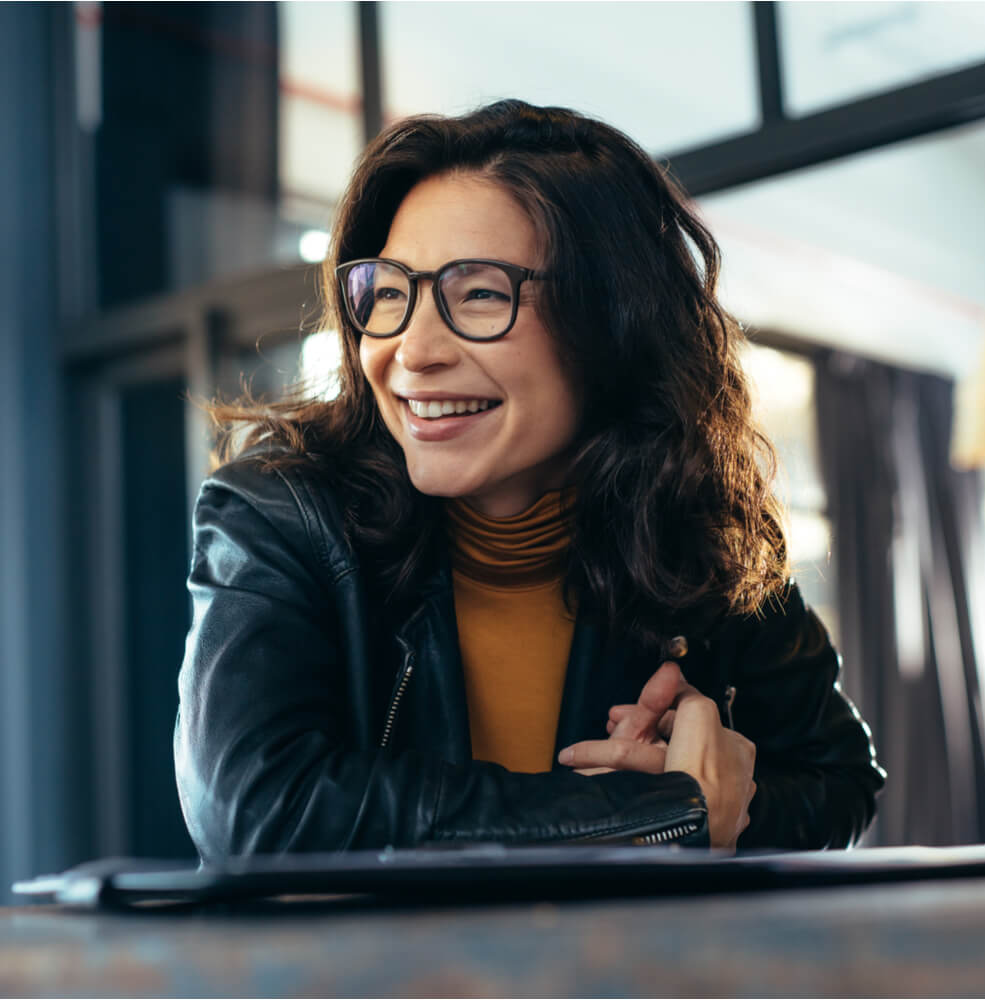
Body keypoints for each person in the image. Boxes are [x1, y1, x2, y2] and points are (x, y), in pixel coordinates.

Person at [174, 100, 884, 860]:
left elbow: (840, 778)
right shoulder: (280, 514)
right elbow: (253, 809)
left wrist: (729, 798)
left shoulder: (690, 523)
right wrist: (656, 813)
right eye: (388, 292)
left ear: (613, 321)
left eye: (478, 293)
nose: (411, 352)